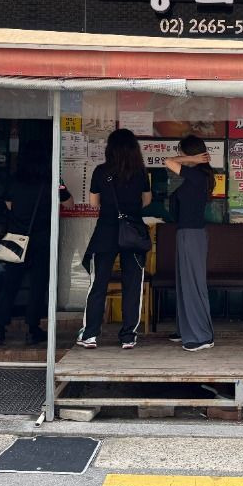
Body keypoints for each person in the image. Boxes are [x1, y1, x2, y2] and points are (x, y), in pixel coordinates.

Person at [0, 140, 73, 346]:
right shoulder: (52, 180)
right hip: (42, 238)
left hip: (17, 238)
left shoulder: (15, 179)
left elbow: (9, 204)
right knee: (38, 284)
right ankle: (32, 329)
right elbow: (68, 203)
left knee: (10, 284)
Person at [79, 128, 152, 349]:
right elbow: (146, 200)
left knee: (98, 284)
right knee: (132, 285)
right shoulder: (140, 172)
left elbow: (94, 203)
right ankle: (128, 336)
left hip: (106, 233)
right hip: (133, 234)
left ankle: (90, 334)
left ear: (110, 148)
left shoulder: (101, 171)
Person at [164, 136, 215, 352]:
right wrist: (192, 159)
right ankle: (186, 328)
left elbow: (168, 161)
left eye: (182, 152)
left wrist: (191, 159)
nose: (180, 156)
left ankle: (202, 336)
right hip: (187, 233)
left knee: (193, 284)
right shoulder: (195, 175)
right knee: (184, 282)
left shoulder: (197, 175)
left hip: (192, 235)